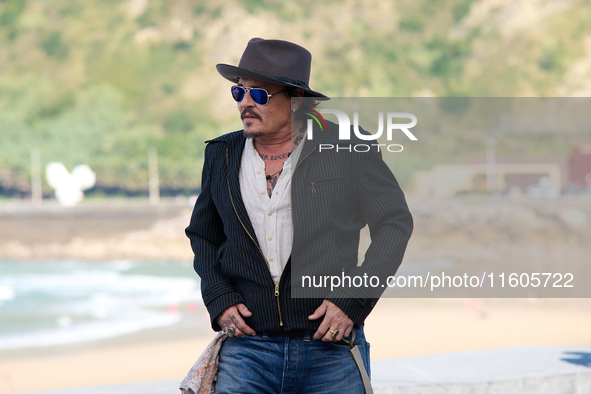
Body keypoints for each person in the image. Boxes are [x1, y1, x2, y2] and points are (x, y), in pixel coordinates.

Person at [185, 37, 413, 393]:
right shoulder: (221, 154)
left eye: (258, 95)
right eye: (238, 93)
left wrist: (353, 301)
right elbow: (203, 234)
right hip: (247, 349)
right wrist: (217, 296)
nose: (245, 103)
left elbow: (394, 223)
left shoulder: (347, 146)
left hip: (331, 346)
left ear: (294, 101)